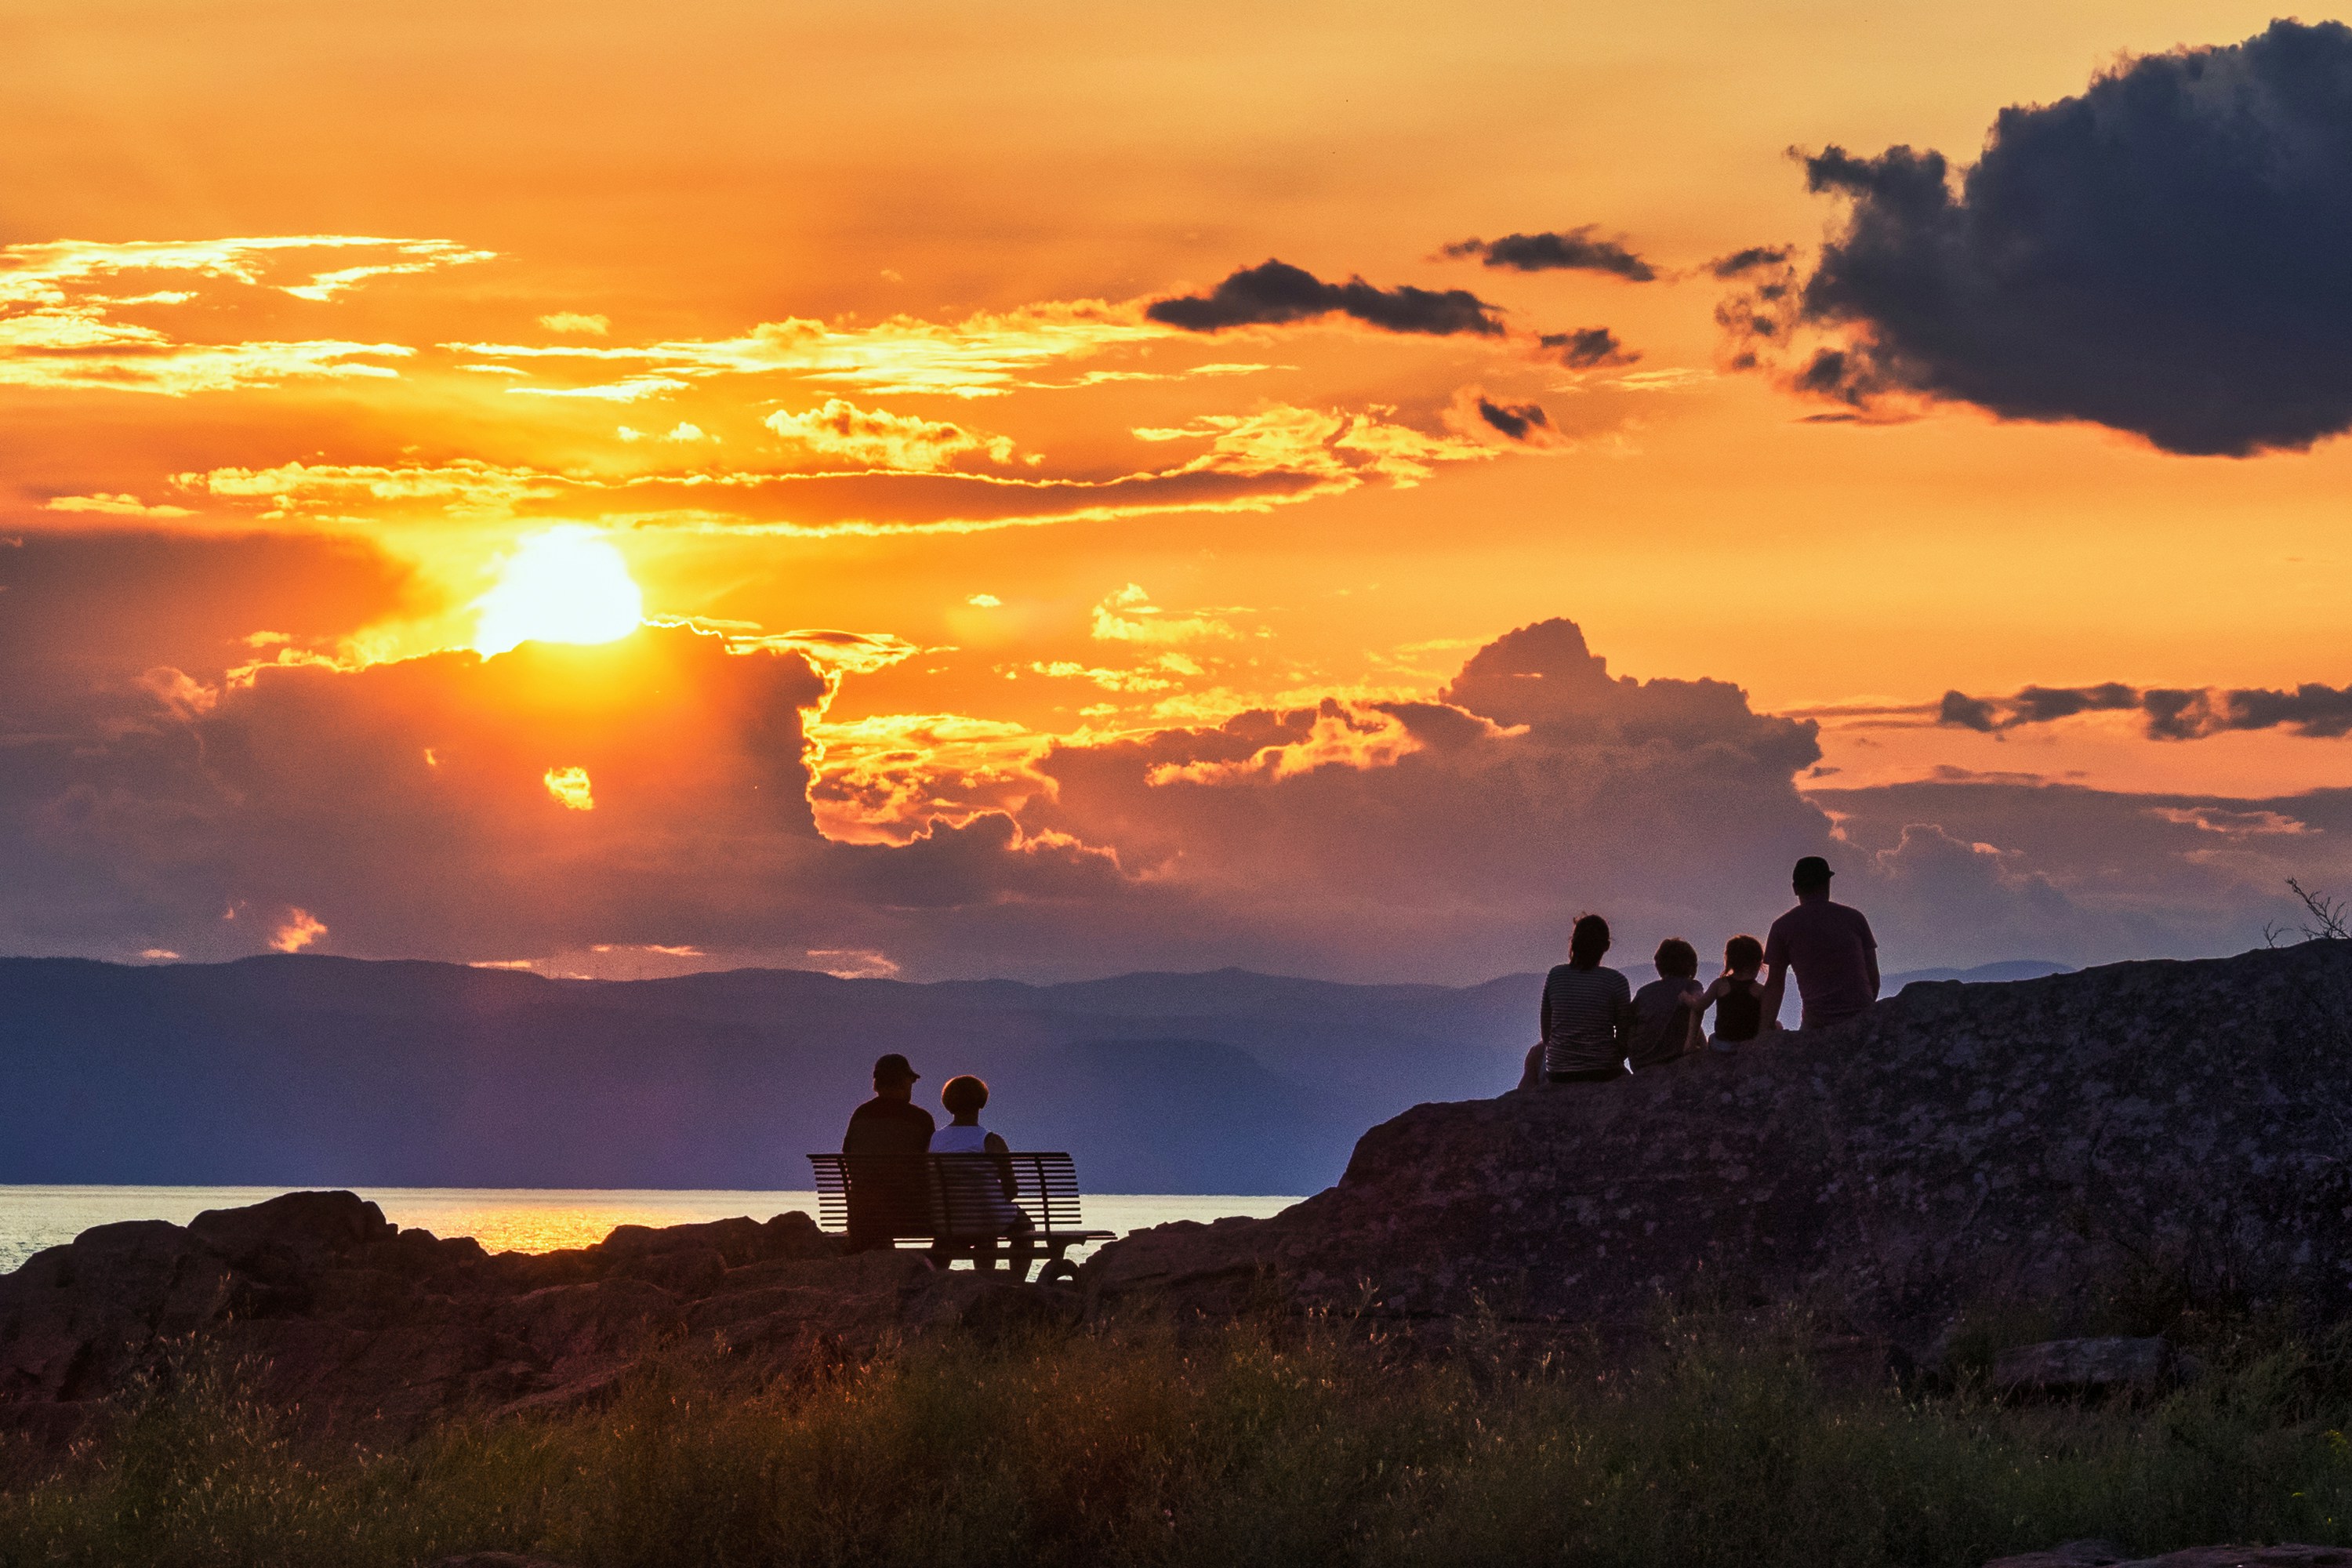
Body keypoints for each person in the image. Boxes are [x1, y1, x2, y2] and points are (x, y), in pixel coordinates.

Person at [928, 1074, 1037, 1276]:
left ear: (948, 1104)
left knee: (982, 1222)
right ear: (981, 1102)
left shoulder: (935, 1140)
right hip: (988, 1219)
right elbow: (1011, 1190)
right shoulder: (991, 1141)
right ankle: (1016, 1282)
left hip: (950, 1220)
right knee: (1024, 1227)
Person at [1759, 856, 1880, 1030]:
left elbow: (1774, 985)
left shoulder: (1782, 927)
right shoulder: (1854, 918)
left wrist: (1763, 1033)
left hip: (1817, 1025)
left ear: (1795, 888)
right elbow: (1873, 978)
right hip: (1862, 1018)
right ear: (1827, 883)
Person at [841, 1052, 935, 1254]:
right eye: (911, 1081)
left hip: (864, 1216)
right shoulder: (921, 1119)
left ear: (877, 1084)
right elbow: (930, 1168)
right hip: (913, 1216)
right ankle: (931, 1273)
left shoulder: (861, 1115)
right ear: (904, 1082)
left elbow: (848, 1158)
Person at [1534, 913, 1634, 1083]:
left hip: (1559, 1073)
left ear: (1574, 942)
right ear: (1607, 946)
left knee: (1534, 1057)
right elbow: (1624, 1037)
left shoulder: (1556, 975)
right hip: (1604, 1072)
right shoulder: (1616, 981)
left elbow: (1546, 1032)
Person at [1628, 938, 1707, 1070]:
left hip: (1640, 1062)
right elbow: (1699, 1004)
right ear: (1692, 967)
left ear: (1659, 966)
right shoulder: (1692, 986)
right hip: (1674, 1059)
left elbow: (1630, 1021)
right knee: (1693, 1018)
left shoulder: (1644, 992)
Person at [1698, 934, 1769, 1051]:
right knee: (1777, 1025)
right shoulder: (1760, 990)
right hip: (1749, 1045)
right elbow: (1766, 1020)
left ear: (1730, 962)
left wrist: (1687, 999)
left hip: (1722, 1045)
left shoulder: (1719, 985)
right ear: (1757, 965)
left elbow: (1700, 1006)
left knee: (1711, 1037)